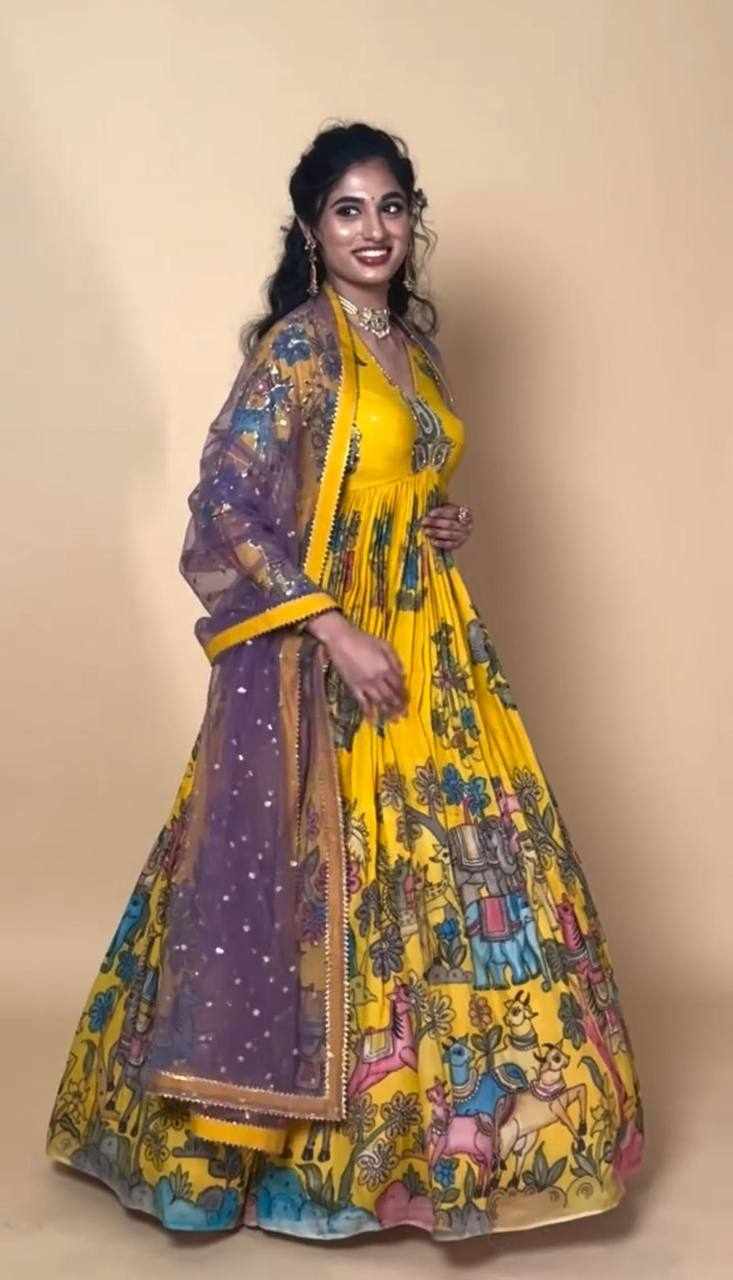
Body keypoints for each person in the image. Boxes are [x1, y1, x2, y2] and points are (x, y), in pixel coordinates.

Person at [46, 121, 645, 1242]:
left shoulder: (414, 349)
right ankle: (280, 1154)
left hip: (434, 635)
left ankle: (442, 1149)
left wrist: (437, 518)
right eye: (348, 210)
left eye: (391, 207)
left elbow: (391, 478)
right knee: (339, 867)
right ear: (311, 230)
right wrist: (332, 627)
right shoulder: (298, 349)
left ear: (413, 220)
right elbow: (225, 501)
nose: (374, 230)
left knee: (457, 865)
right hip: (332, 653)